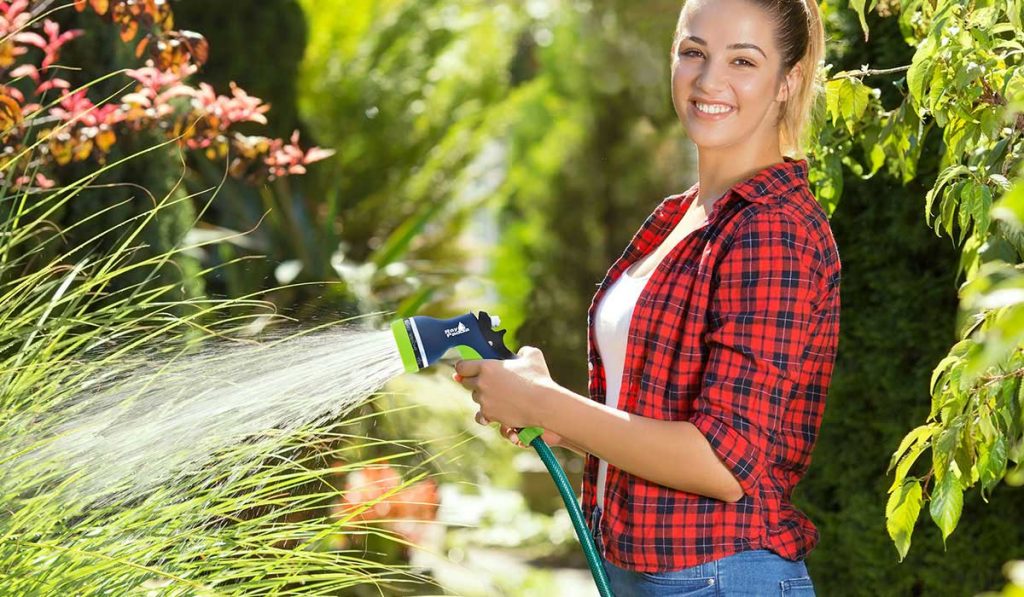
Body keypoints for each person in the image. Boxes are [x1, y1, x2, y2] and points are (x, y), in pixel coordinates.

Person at [454, 0, 839, 594]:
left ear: (787, 81)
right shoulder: (682, 216)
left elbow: (722, 463)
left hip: (721, 577)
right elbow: (653, 415)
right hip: (644, 570)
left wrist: (546, 404)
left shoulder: (771, 228)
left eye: (743, 61)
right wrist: (556, 417)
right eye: (693, 52)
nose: (709, 80)